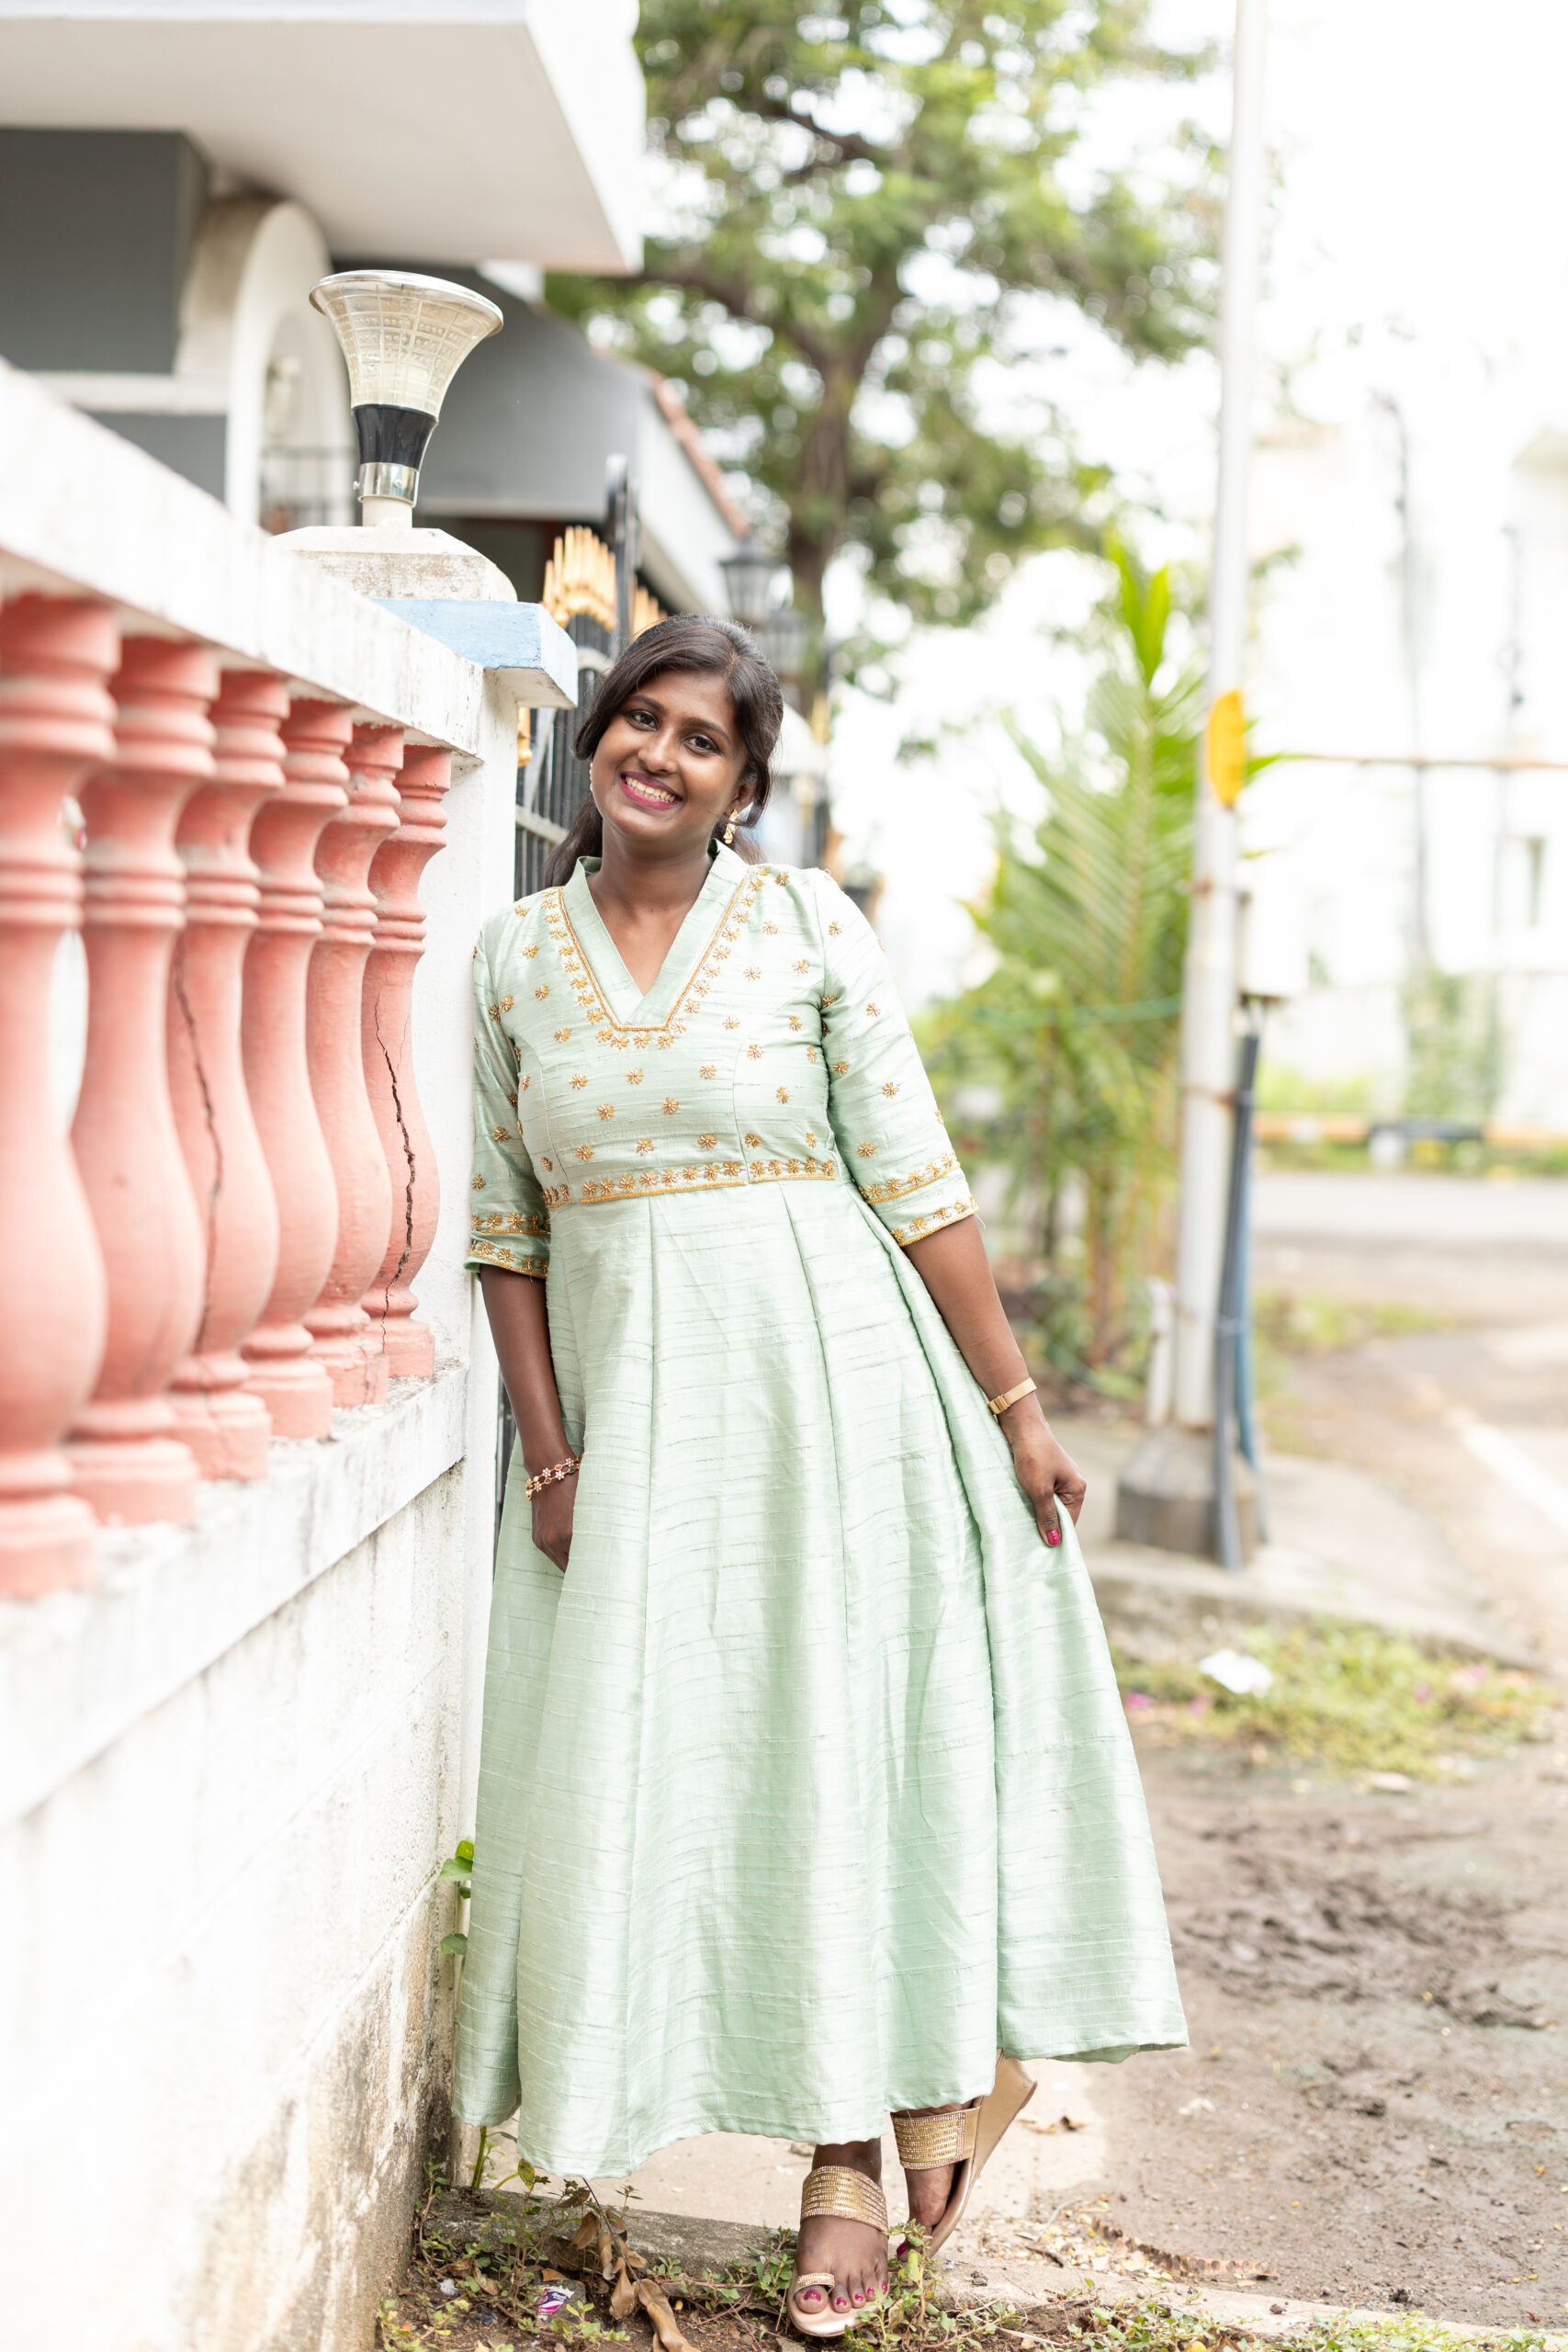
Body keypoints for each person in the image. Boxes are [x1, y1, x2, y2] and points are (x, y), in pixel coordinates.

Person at [454, 616, 1185, 2337]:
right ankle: (706, 2090)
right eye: (639, 718)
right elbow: (506, 1231)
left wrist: (1014, 1404)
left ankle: (845, 2166)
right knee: (677, 1769)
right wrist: (549, 1450)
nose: (659, 754)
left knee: (826, 1761)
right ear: (594, 742)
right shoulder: (504, 959)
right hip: (631, 1431)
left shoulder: (802, 927)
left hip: (830, 1405)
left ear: (744, 786)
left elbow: (918, 1180)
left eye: (703, 739)